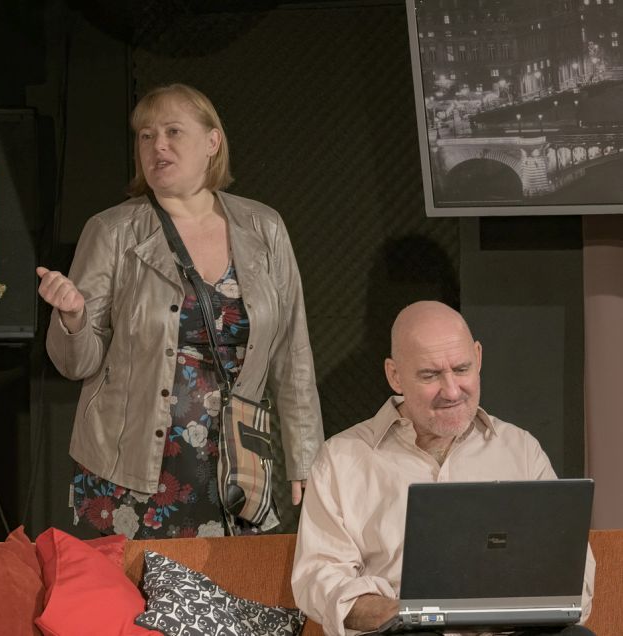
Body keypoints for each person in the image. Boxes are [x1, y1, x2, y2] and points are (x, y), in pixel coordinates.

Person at [36, 83, 323, 538]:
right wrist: (73, 319)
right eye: (146, 136)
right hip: (127, 468)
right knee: (130, 586)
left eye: (173, 131)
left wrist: (306, 455)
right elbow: (77, 364)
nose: (158, 146)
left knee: (230, 583)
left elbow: (292, 353)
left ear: (212, 142)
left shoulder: (264, 228)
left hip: (234, 467)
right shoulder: (112, 231)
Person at [291, 300, 596, 636]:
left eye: (461, 369)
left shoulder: (520, 450)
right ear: (395, 375)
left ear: (478, 357)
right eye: (430, 375)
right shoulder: (341, 459)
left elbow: (573, 570)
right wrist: (399, 613)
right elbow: (319, 577)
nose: (451, 391)